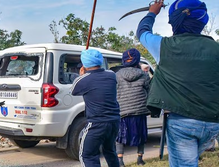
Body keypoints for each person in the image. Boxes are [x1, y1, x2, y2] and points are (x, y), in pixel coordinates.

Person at [136, 0, 219, 166]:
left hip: (182, 123)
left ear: (173, 21)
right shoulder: (215, 48)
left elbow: (142, 32)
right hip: (214, 123)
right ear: (203, 21)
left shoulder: (163, 46)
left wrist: (152, 12)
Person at [70, 49, 120, 167]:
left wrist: (82, 75)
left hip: (97, 122)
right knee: (110, 151)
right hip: (114, 121)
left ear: (84, 64)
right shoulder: (111, 75)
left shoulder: (83, 80)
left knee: (87, 155)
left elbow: (73, 91)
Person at [115, 49, 150, 166]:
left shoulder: (117, 75)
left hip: (122, 110)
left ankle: (120, 161)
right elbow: (149, 91)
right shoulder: (144, 75)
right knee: (141, 135)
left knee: (120, 137)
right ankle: (140, 159)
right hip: (139, 110)